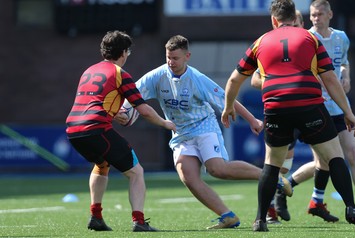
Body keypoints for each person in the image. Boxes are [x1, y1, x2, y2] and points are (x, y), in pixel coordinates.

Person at [222, 0, 355, 232]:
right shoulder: (310, 39)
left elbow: (234, 80)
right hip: (309, 104)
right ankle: (351, 207)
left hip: (276, 107)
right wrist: (348, 112)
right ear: (296, 17)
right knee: (334, 156)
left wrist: (228, 106)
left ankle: (260, 219)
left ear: (274, 20)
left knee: (272, 164)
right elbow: (330, 78)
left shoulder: (260, 41)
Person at [116, 34, 292, 230]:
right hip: (181, 133)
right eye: (168, 57)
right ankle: (228, 216)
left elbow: (228, 98)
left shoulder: (197, 79)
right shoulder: (156, 76)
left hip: (204, 126)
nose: (170, 62)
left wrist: (251, 120)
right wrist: (123, 111)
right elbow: (132, 94)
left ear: (187, 56)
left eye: (175, 58)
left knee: (217, 169)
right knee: (187, 176)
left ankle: (271, 177)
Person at [273, 0, 355, 224]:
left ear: (330, 15)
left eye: (320, 14)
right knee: (325, 161)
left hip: (338, 104)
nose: (316, 18)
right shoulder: (306, 39)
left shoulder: (340, 38)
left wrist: (346, 74)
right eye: (313, 15)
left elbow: (343, 62)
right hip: (314, 106)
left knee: (351, 154)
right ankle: (288, 190)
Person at [65, 30, 176, 232]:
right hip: (96, 128)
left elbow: (92, 101)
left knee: (102, 164)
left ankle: (96, 217)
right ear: (123, 52)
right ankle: (139, 222)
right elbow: (144, 110)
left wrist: (115, 114)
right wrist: (165, 123)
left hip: (73, 129)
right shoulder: (120, 74)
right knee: (136, 172)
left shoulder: (89, 71)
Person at [250, 9, 304, 224]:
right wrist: (278, 83)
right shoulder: (271, 45)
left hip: (311, 108)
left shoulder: (310, 43)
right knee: (276, 165)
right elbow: (253, 78)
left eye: (298, 23)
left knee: (328, 159)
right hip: (282, 109)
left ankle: (311, 200)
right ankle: (270, 209)